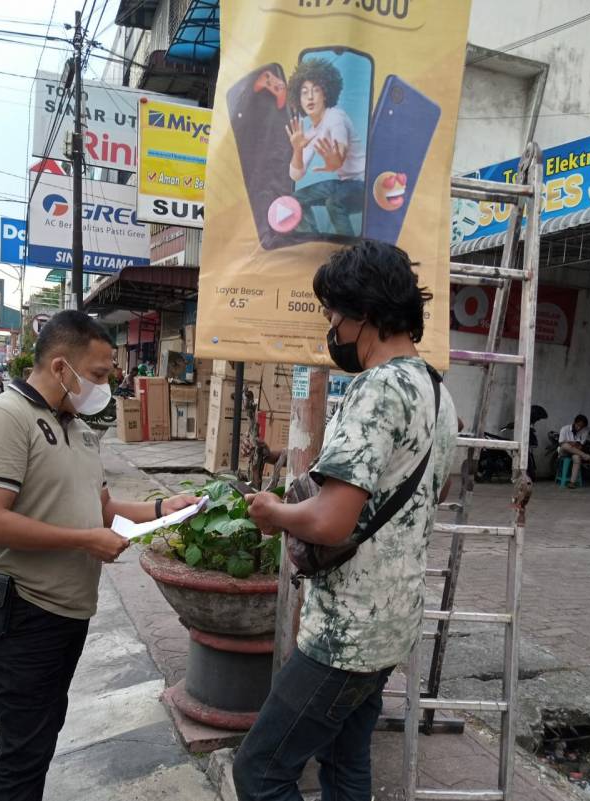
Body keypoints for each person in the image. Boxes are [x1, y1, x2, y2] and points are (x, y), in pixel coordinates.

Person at [232, 241, 458, 801]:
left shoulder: (378, 388)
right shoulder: (436, 390)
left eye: (334, 315)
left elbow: (331, 523)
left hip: (346, 634)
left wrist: (274, 513)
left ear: (367, 314)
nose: (330, 328)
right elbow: (435, 489)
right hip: (395, 622)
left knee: (259, 772)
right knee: (344, 759)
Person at [0, 310, 197, 801]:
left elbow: (103, 508)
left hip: (66, 613)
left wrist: (161, 507)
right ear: (61, 366)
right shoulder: (5, 418)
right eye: (97, 374)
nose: (105, 386)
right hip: (22, 613)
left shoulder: (75, 427)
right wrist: (84, 540)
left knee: (40, 740)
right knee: (23, 753)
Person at [286, 58, 366, 237]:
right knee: (294, 201)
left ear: (326, 94)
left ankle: (349, 250)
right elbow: (295, 174)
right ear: (298, 99)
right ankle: (310, 239)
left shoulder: (336, 116)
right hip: (343, 185)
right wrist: (297, 150)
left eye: (316, 90)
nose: (310, 97)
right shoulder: (311, 132)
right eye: (304, 92)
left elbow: (340, 151)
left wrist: (336, 160)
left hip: (364, 185)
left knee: (333, 201)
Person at [558, 414, 590, 487]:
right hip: (563, 451)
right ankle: (586, 456)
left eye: (582, 426)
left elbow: (580, 446)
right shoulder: (565, 429)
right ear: (574, 422)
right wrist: (571, 443)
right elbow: (561, 443)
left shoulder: (584, 431)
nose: (579, 428)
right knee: (565, 445)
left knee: (577, 458)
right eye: (578, 425)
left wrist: (573, 444)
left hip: (575, 451)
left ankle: (572, 482)